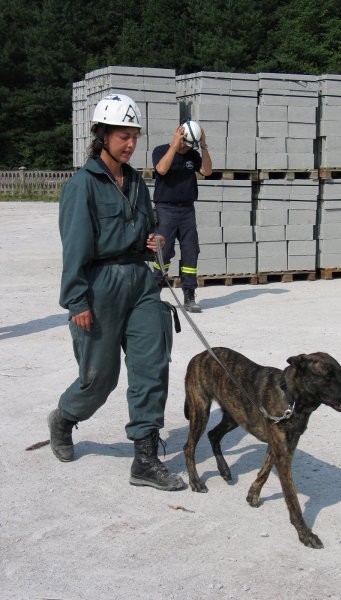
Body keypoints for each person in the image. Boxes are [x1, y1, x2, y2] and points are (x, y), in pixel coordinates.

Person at [48, 93, 185, 492]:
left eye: (134, 137)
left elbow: (146, 228)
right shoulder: (82, 186)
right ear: (102, 135)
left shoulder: (137, 183)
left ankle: (144, 457)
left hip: (140, 282)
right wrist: (76, 300)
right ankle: (65, 418)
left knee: (151, 366)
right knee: (99, 379)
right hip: (99, 285)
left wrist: (154, 241)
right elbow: (73, 246)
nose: (130, 144)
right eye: (123, 136)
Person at [152, 120, 213, 312]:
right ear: (178, 134)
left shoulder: (193, 154)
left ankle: (189, 296)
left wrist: (202, 145)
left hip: (187, 210)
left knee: (190, 252)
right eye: (185, 142)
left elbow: (207, 171)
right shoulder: (161, 150)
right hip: (165, 209)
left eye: (190, 144)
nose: (186, 146)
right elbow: (161, 169)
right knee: (164, 252)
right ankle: (153, 294)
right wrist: (174, 145)